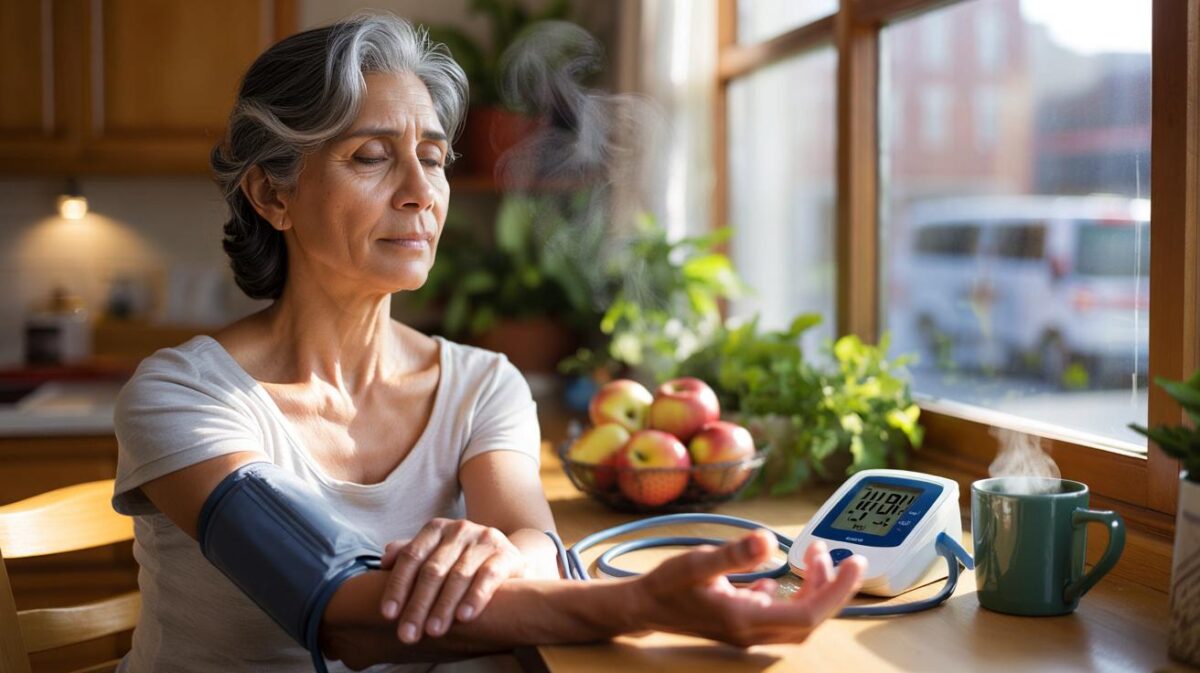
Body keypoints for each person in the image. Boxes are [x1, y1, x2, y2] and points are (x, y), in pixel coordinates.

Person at [110, 13, 866, 673]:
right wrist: (639, 601)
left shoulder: (482, 383)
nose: (419, 190)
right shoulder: (183, 394)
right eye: (371, 157)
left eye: (434, 157)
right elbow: (340, 612)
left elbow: (532, 539)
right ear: (274, 194)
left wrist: (505, 551)